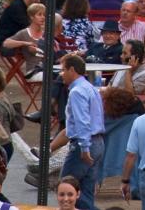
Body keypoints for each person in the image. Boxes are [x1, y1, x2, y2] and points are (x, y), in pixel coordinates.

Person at [49, 54, 106, 210]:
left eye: (63, 70)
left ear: (72, 70)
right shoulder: (90, 88)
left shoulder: (77, 92)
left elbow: (82, 121)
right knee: (85, 193)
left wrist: (84, 147)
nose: (61, 74)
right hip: (98, 142)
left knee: (67, 188)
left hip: (84, 145)